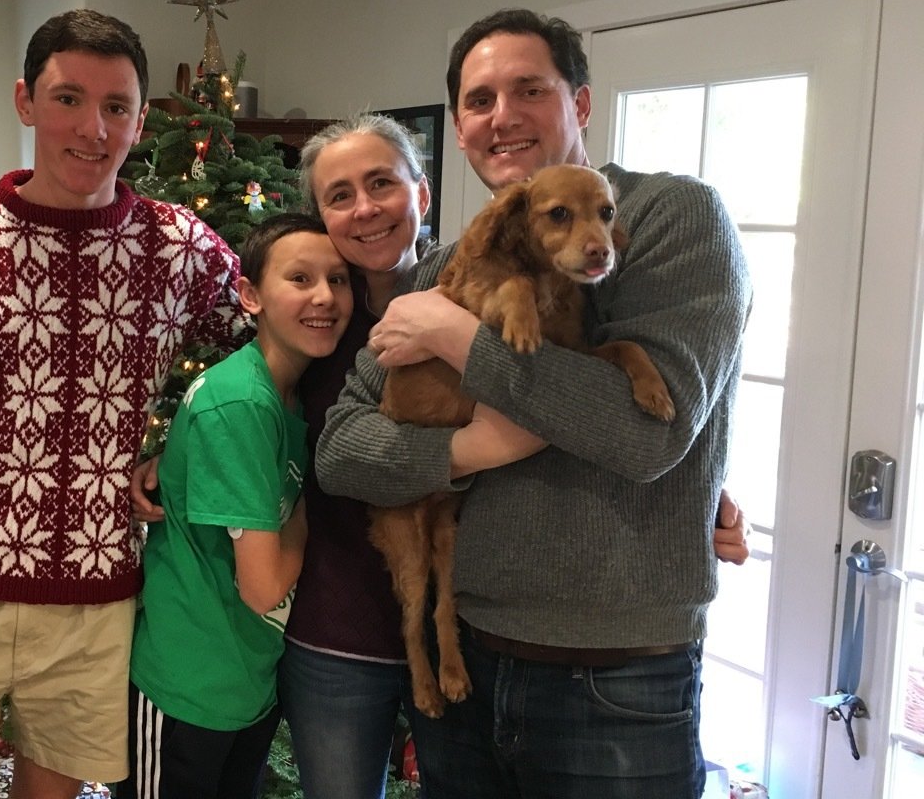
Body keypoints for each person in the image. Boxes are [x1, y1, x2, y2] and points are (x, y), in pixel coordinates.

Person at [133, 112, 751, 798]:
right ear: (321, 216)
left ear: (421, 193)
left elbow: (593, 406)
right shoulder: (313, 322)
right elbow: (266, 423)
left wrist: (700, 497)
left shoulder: (458, 283)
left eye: (381, 183)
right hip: (337, 627)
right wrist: (168, 458)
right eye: (340, 196)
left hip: (462, 622)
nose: (365, 209)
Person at [315, 8, 752, 799]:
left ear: (579, 103)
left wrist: (455, 335)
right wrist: (465, 451)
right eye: (479, 101)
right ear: (459, 128)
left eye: (529, 90)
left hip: (614, 678)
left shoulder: (673, 218)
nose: (502, 117)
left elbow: (645, 435)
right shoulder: (451, 262)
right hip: (467, 656)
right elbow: (341, 449)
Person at [0, 9, 249, 799]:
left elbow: (263, 362)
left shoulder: (184, 249)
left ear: (140, 120)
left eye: (117, 106)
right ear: (26, 101)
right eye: (68, 99)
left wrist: (177, 453)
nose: (94, 129)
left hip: (97, 599)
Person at [119, 212, 353, 799]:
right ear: (251, 296)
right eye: (299, 278)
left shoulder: (291, 394)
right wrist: (311, 507)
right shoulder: (241, 402)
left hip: (247, 682)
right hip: (188, 685)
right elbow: (263, 587)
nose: (324, 296)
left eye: (338, 279)